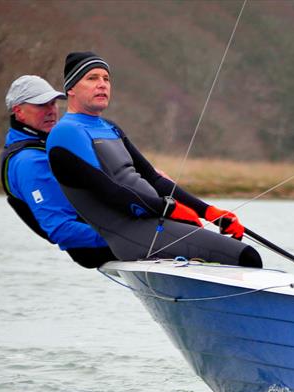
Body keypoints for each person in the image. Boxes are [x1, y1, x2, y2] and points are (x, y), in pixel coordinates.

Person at [46, 51, 262, 268]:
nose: (102, 84)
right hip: (133, 234)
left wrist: (208, 211)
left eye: (106, 79)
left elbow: (154, 179)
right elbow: (108, 191)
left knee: (235, 251)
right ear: (71, 88)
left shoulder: (110, 128)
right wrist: (169, 208)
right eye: (92, 78)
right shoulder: (66, 133)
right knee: (247, 257)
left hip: (157, 222)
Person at [0, 75, 116, 268]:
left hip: (113, 231)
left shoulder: (46, 144)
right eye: (41, 105)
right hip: (98, 247)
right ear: (18, 112)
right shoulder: (29, 161)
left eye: (53, 104)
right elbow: (60, 229)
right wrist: (124, 237)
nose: (51, 111)